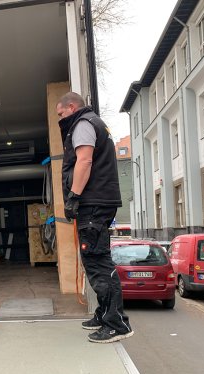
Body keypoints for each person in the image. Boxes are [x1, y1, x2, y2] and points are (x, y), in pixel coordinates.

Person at [56, 92, 133, 343]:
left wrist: (74, 196)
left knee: (98, 262)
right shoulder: (94, 123)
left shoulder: (83, 124)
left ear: (71, 107)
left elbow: (85, 160)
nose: (60, 119)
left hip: (93, 203)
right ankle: (104, 314)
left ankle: (117, 324)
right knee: (93, 260)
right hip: (99, 201)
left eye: (60, 114)